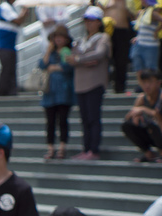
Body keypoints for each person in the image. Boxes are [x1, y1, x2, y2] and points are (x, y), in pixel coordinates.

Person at [69, 7, 111, 161]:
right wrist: (85, 60)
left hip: (95, 83)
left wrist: (80, 60)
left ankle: (94, 149)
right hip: (80, 84)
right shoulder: (81, 40)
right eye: (87, 20)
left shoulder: (103, 37)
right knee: (85, 118)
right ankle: (86, 148)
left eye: (92, 20)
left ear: (99, 22)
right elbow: (72, 57)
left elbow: (99, 54)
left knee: (93, 117)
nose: (89, 24)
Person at [39, 25, 76, 161]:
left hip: (64, 91)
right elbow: (42, 65)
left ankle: (62, 147)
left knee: (63, 120)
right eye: (56, 37)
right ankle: (50, 148)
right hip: (50, 92)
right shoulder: (51, 53)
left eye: (61, 37)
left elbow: (69, 67)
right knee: (50, 121)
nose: (58, 39)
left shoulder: (68, 51)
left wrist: (55, 67)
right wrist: (48, 51)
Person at [122, 69, 162, 161]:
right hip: (151, 134)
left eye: (150, 82)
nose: (147, 85)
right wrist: (135, 116)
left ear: (158, 83)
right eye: (144, 82)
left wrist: (145, 109)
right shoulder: (141, 98)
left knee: (153, 124)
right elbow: (129, 117)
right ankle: (148, 153)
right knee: (127, 125)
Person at [0, 0, 29, 97]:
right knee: (6, 70)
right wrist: (24, 11)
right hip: (4, 46)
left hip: (10, 47)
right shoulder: (5, 6)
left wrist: (24, 14)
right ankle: (3, 94)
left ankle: (12, 92)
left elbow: (19, 21)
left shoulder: (12, 8)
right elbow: (17, 21)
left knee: (11, 70)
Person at [105, 0, 136, 94]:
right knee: (107, 60)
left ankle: (120, 87)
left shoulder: (128, 2)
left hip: (122, 31)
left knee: (121, 61)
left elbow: (133, 15)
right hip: (107, 31)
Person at [132, 3, 162, 76]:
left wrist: (156, 31)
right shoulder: (142, 12)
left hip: (150, 46)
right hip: (140, 44)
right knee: (139, 69)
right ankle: (142, 87)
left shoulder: (153, 13)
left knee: (151, 71)